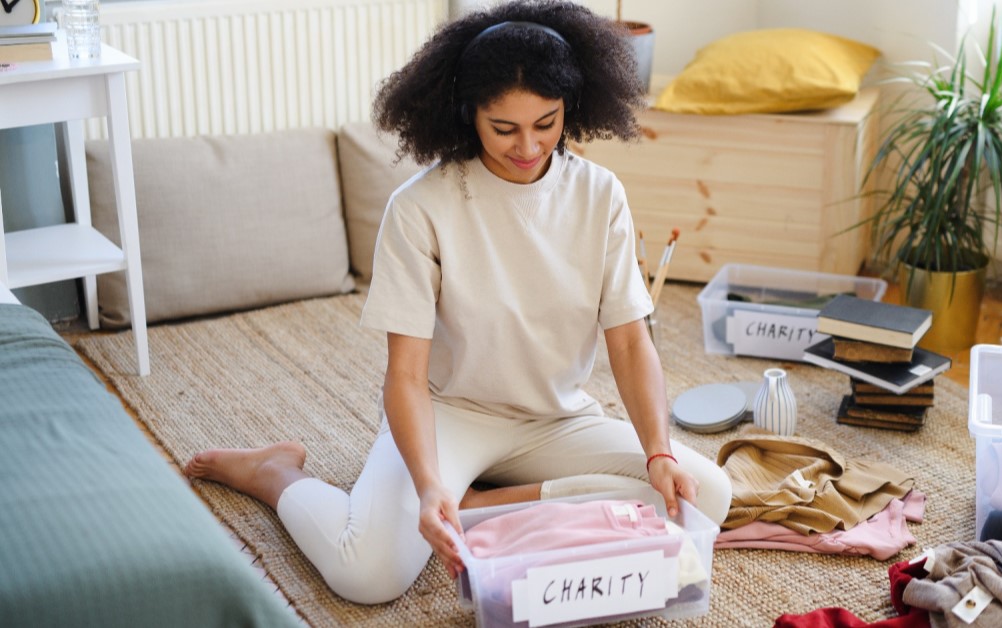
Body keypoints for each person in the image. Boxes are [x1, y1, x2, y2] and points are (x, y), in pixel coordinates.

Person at [183, 0, 732, 605]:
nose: (528, 146)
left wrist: (656, 449)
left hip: (558, 418)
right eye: (504, 128)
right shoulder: (421, 208)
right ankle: (278, 474)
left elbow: (629, 339)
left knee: (704, 491)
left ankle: (482, 503)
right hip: (450, 414)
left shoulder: (600, 194)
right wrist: (425, 486)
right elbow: (406, 375)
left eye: (546, 123)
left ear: (571, 108)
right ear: (468, 115)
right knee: (367, 575)